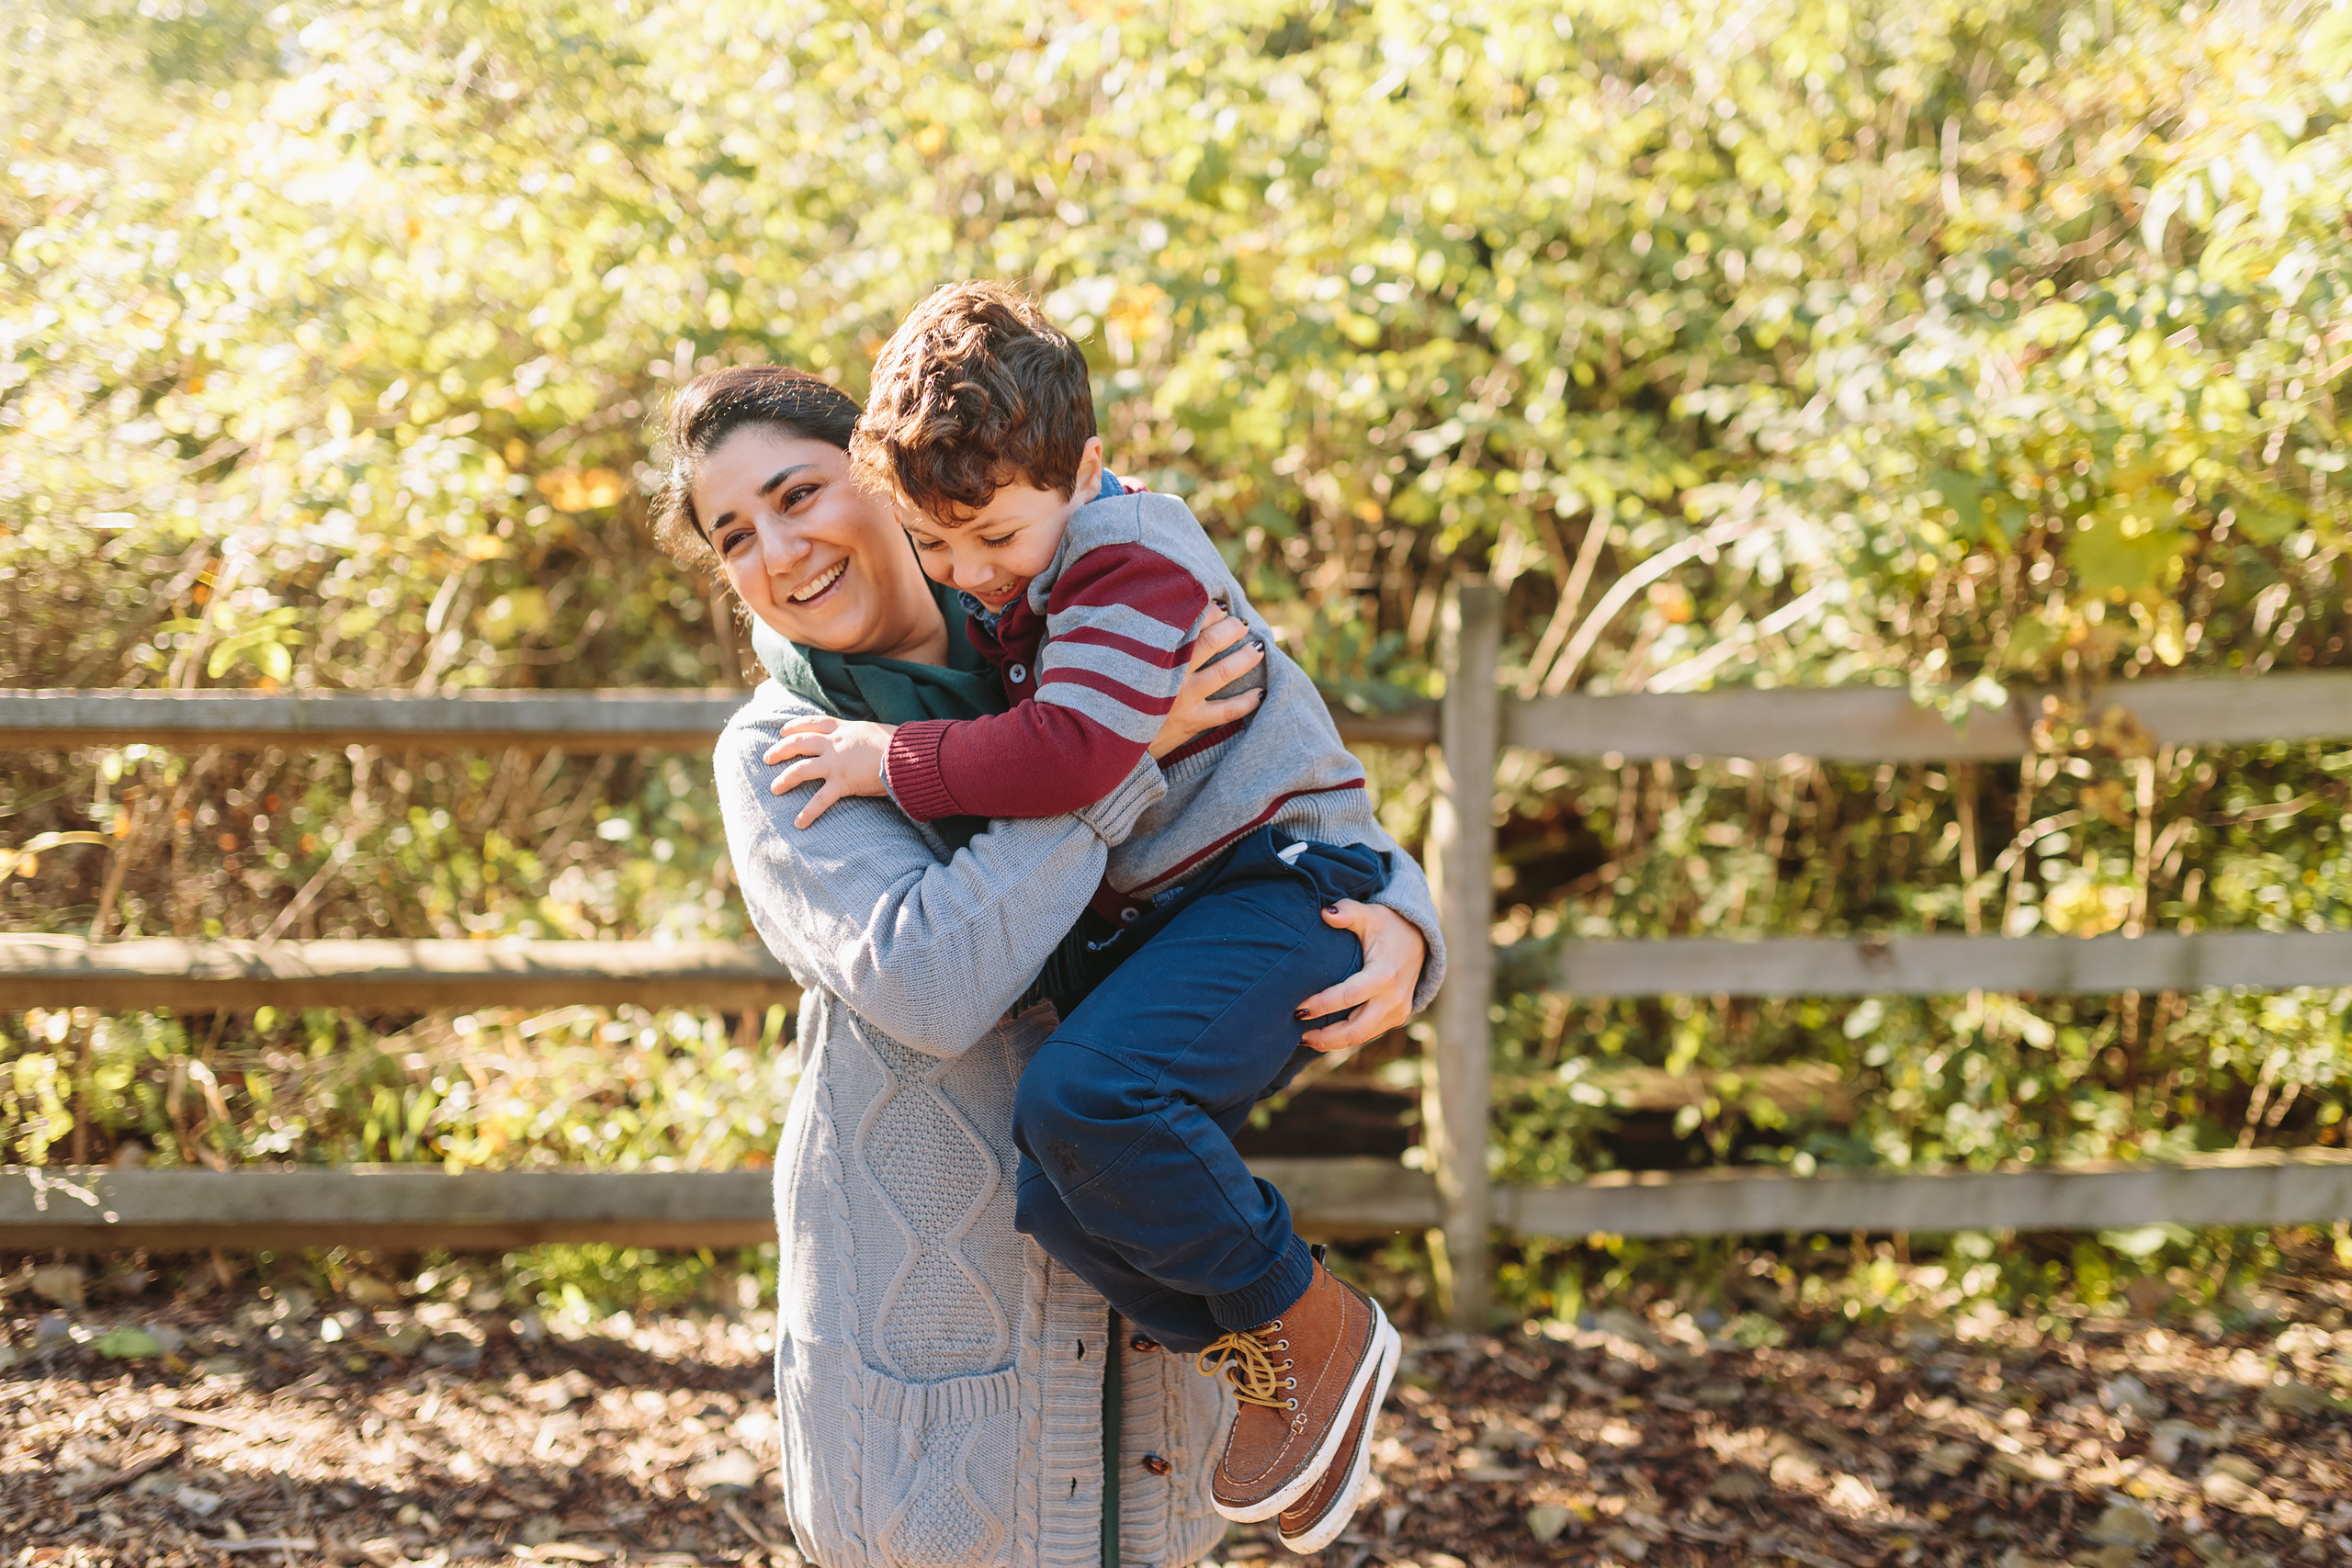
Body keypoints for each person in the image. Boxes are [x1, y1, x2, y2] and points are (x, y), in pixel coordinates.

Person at [655, 364, 1445, 1568]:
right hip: (938, 1354)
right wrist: (1118, 763)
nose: (779, 548)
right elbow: (934, 982)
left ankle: (1300, 1345)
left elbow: (1286, 772)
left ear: (881, 471)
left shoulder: (1073, 611)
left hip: (1151, 1344)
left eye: (797, 493)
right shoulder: (787, 751)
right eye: (734, 535)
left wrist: (1404, 916)